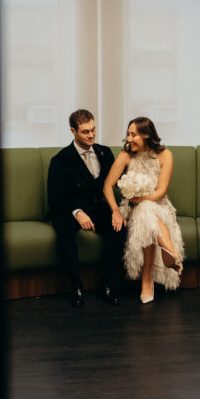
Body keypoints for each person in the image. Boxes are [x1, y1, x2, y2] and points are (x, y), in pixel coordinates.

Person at [47, 109, 126, 307]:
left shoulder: (104, 152)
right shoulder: (60, 160)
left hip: (98, 208)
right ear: (73, 131)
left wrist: (119, 209)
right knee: (64, 231)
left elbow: (119, 181)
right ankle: (76, 286)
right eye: (85, 132)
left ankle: (106, 284)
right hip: (68, 210)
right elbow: (55, 199)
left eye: (93, 130)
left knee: (119, 228)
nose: (91, 135)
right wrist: (77, 212)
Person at [103, 116, 184, 304]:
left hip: (159, 206)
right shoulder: (125, 156)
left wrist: (143, 199)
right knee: (144, 211)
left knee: (147, 209)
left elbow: (161, 192)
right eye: (128, 134)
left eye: (134, 135)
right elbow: (108, 185)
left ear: (147, 136)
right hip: (131, 209)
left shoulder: (166, 156)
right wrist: (115, 210)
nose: (128, 139)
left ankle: (147, 277)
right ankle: (171, 252)